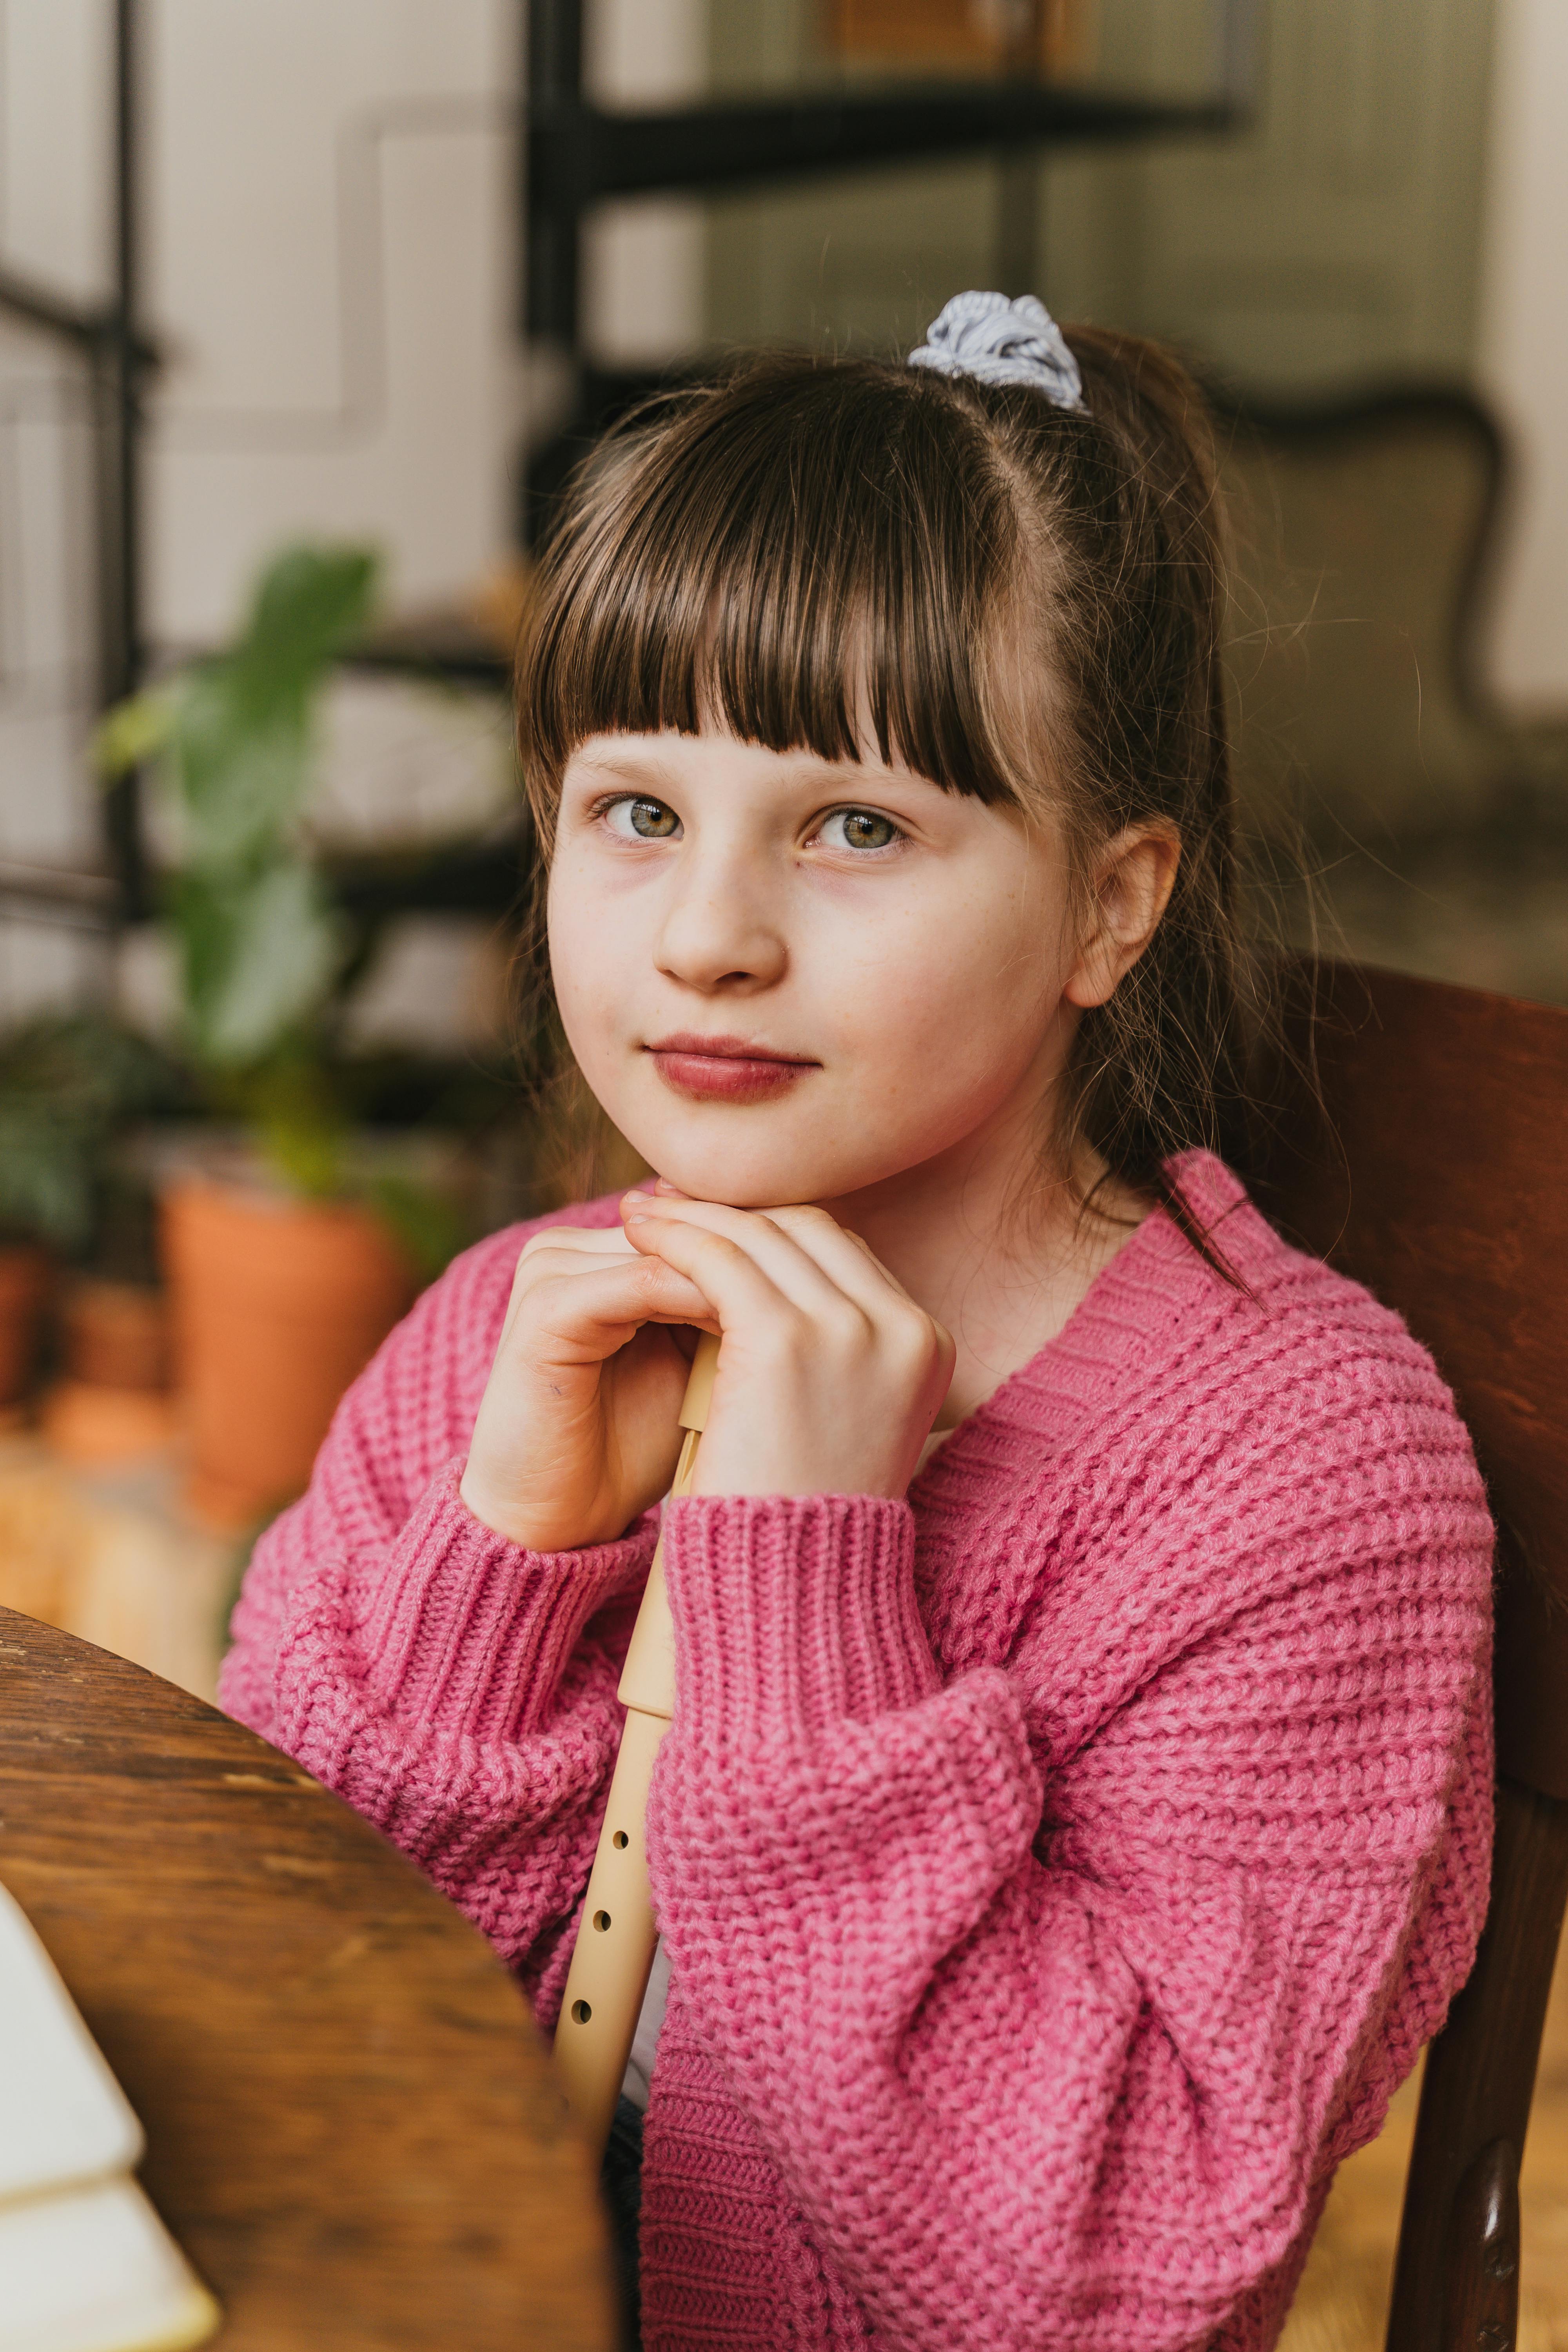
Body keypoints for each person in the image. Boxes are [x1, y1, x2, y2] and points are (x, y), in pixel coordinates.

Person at [220, 294, 1494, 2352]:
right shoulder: (499, 1335)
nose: (708, 935)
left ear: (1112, 904)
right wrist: (501, 1579)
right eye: (638, 812)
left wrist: (810, 1604)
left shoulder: (1303, 1478)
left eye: (857, 827)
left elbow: (1103, 2288)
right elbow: (265, 2061)